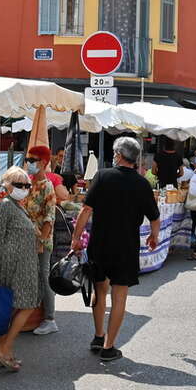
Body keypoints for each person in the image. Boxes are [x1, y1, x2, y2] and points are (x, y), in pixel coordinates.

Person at [71, 137, 160, 362]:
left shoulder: (102, 176)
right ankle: (109, 347)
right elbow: (155, 217)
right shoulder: (142, 183)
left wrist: (76, 238)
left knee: (100, 290)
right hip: (126, 246)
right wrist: (153, 235)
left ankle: (98, 336)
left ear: (119, 155)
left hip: (100, 243)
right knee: (119, 296)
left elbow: (85, 210)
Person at [0, 166, 40, 371]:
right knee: (27, 304)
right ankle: (4, 349)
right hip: (14, 265)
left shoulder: (15, 205)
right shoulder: (6, 206)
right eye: (19, 184)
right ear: (8, 185)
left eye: (26, 185)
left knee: (9, 308)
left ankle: (3, 351)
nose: (24, 188)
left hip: (20, 263)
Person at [24, 145, 58, 337]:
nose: (28, 164)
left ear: (43, 162)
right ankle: (33, 316)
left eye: (32, 160)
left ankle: (50, 318)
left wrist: (42, 241)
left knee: (44, 277)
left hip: (41, 242)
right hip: (28, 240)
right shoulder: (29, 183)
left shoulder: (47, 186)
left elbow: (49, 218)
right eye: (28, 160)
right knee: (33, 277)